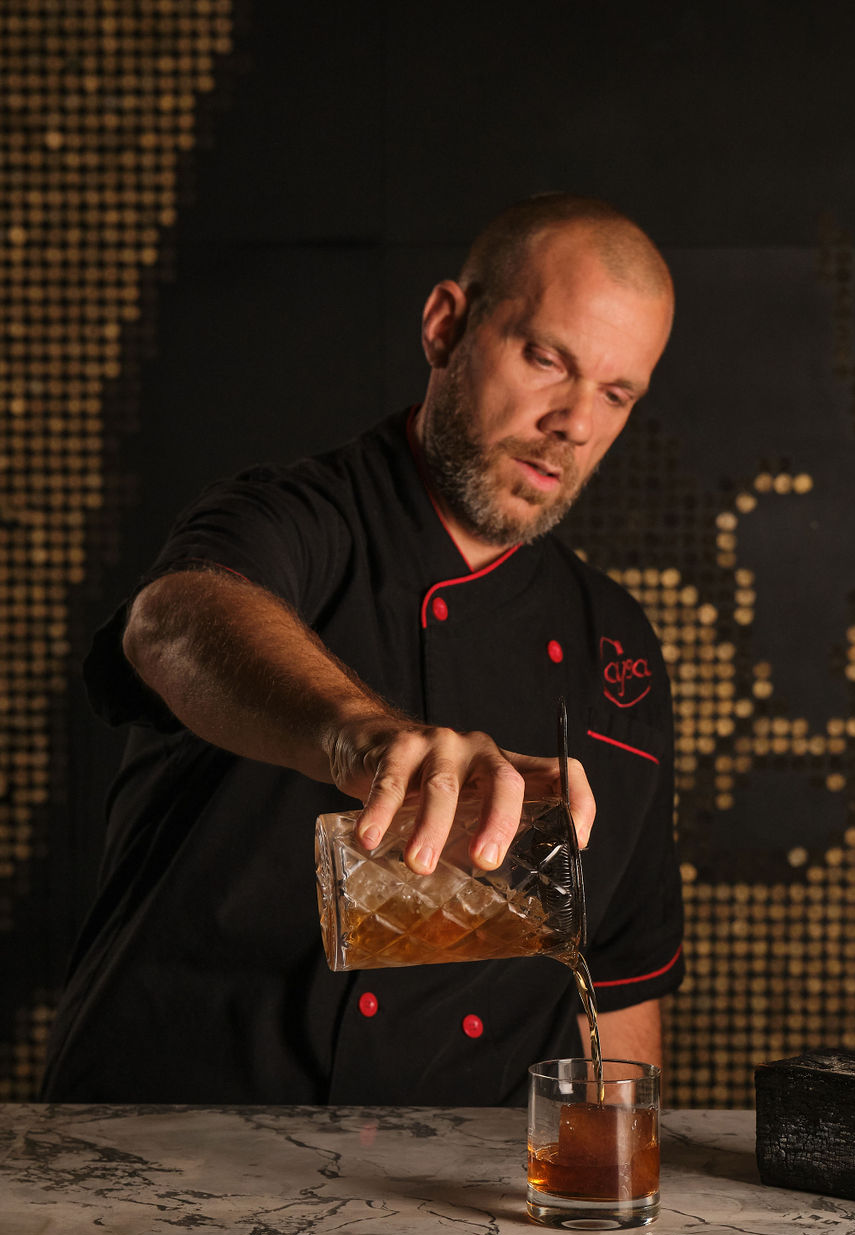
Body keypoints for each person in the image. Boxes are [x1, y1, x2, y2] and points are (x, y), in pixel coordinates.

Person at [42, 193, 685, 1106]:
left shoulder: (616, 645)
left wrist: (621, 1192)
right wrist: (359, 735)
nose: (575, 422)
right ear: (445, 326)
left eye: (616, 394)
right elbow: (174, 620)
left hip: (465, 1198)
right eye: (546, 358)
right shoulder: (290, 518)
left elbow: (618, 982)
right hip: (173, 1144)